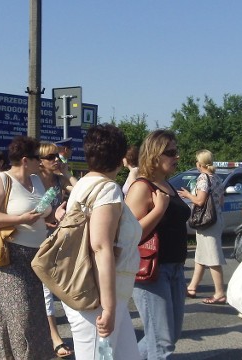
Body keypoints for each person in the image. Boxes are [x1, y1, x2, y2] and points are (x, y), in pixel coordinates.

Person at [61, 124, 141, 359]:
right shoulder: (108, 190)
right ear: (120, 158)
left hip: (104, 295)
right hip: (98, 299)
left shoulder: (84, 184)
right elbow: (100, 246)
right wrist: (107, 308)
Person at [0, 136, 54, 360]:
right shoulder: (1, 180)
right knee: (20, 315)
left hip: (37, 255)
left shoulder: (37, 181)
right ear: (25, 160)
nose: (41, 162)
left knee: (34, 313)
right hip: (12, 255)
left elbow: (44, 210)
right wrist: (21, 218)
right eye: (37, 158)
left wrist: (52, 217)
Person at [125, 130, 190, 359]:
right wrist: (159, 210)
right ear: (154, 155)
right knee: (162, 344)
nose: (177, 157)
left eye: (176, 151)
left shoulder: (168, 185)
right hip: (153, 271)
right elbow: (129, 235)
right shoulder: (142, 187)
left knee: (169, 336)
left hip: (175, 268)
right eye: (171, 152)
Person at [37, 141, 77, 358]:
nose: (56, 160)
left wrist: (67, 173)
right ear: (40, 162)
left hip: (57, 241)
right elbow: (34, 212)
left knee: (62, 285)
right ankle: (54, 336)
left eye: (57, 156)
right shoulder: (33, 181)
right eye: (50, 157)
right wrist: (48, 219)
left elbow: (81, 191)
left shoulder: (58, 180)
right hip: (35, 241)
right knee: (45, 291)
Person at [178, 150, 227, 305]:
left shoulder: (202, 178)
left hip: (207, 222)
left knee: (212, 257)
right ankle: (192, 287)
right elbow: (221, 201)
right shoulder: (217, 178)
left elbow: (199, 201)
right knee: (201, 255)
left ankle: (219, 293)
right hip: (216, 219)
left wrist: (187, 195)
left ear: (199, 164)